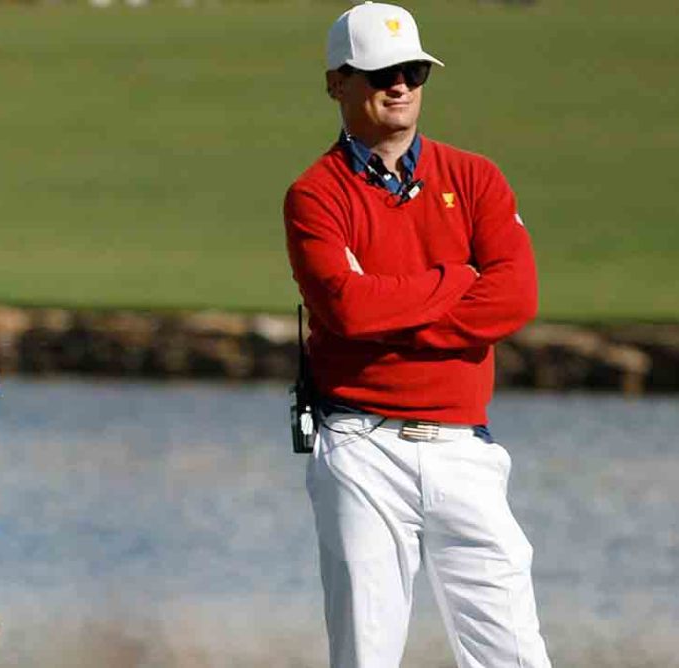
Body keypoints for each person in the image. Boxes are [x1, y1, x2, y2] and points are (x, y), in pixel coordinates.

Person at [282, 3, 552, 667]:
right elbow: (347, 311)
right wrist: (460, 279)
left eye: (412, 70)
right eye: (380, 72)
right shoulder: (316, 195)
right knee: (366, 655)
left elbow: (515, 297)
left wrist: (390, 311)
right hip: (359, 444)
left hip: (465, 447)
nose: (400, 84)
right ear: (336, 83)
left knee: (515, 653)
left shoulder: (477, 178)